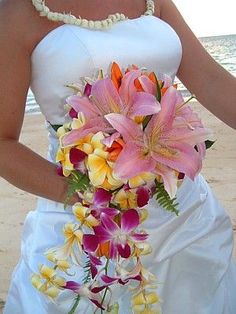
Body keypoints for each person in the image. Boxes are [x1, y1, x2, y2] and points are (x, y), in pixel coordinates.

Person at [1, 0, 236, 313]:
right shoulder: (18, 10)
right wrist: (95, 196)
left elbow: (209, 81)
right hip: (88, 219)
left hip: (186, 218)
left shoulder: (154, 2)